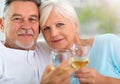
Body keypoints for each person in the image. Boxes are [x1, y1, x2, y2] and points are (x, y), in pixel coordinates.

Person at [39, 0, 120, 84]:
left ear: (75, 24)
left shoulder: (109, 44)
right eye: (46, 28)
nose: (53, 34)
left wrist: (104, 80)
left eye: (60, 24)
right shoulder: (49, 67)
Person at [0, 0, 52, 84]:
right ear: (2, 24)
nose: (26, 26)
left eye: (32, 19)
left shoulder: (50, 49)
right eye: (17, 19)